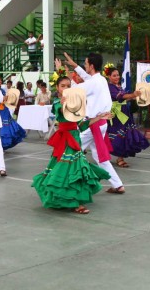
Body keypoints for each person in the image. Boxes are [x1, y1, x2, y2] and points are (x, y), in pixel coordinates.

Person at [32, 76, 111, 214]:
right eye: (63, 86)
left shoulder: (77, 104)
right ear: (57, 88)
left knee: (73, 171)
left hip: (75, 139)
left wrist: (99, 117)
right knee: (68, 169)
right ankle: (76, 203)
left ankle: (72, 199)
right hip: (65, 140)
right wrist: (64, 104)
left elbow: (82, 124)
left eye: (68, 86)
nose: (66, 88)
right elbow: (61, 110)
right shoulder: (57, 102)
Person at [63, 52, 125, 194]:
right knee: (99, 157)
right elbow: (87, 78)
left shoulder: (92, 83)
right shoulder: (101, 79)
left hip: (92, 125)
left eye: (85, 63)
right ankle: (118, 185)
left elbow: (71, 91)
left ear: (91, 65)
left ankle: (64, 184)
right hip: (100, 124)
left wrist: (65, 75)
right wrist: (75, 66)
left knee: (70, 151)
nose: (85, 66)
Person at [106, 66, 150, 168]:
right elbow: (121, 97)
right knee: (118, 134)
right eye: (114, 75)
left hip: (124, 113)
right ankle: (110, 156)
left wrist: (134, 97)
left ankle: (120, 157)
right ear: (109, 77)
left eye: (117, 75)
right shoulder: (110, 87)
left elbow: (125, 98)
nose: (117, 77)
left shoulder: (119, 86)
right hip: (117, 115)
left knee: (125, 134)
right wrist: (133, 95)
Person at [0, 73, 26, 151]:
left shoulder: (2, 90)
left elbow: (5, 100)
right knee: (1, 129)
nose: (0, 81)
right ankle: (0, 145)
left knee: (6, 127)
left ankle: (3, 145)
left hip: (5, 111)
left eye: (0, 79)